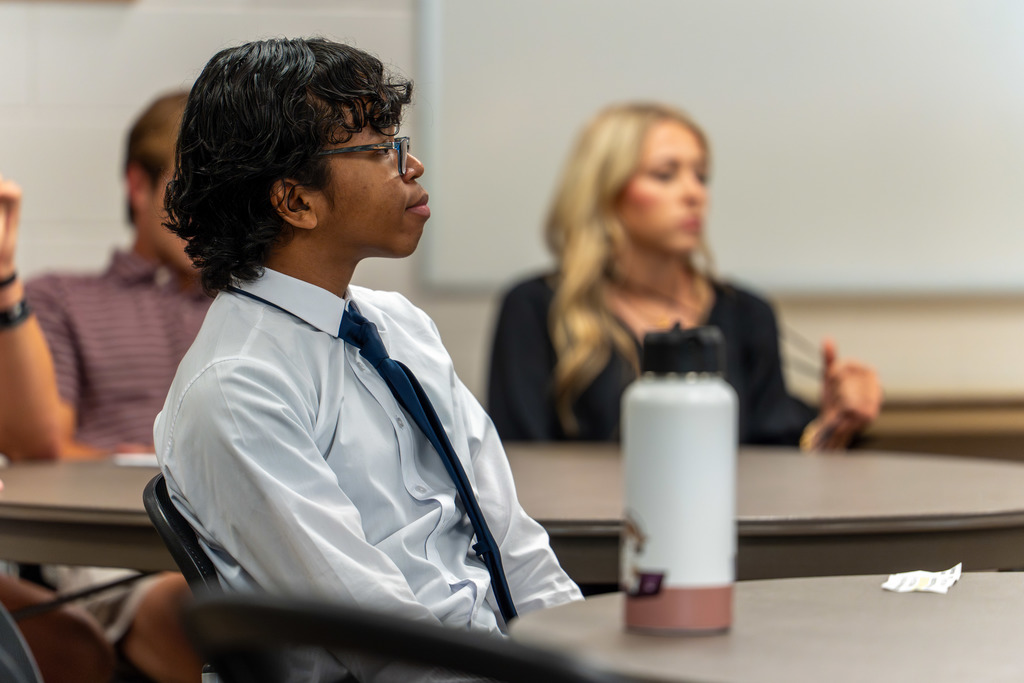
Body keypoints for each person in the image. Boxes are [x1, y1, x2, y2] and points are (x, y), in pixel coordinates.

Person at [154, 37, 582, 681]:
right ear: (296, 200)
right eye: (380, 149)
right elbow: (381, 644)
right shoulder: (240, 388)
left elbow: (513, 545)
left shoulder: (398, 326)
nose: (411, 167)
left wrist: (589, 661)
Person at [488, 102, 882, 449]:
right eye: (665, 174)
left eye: (701, 175)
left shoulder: (746, 312)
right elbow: (518, 466)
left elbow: (774, 466)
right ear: (605, 190)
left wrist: (830, 426)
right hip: (580, 533)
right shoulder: (536, 309)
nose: (694, 193)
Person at [0, 92, 206, 683]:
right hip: (117, 547)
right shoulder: (62, 298)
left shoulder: (247, 308)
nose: (208, 208)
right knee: (206, 614)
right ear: (137, 186)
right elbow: (45, 445)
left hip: (235, 525)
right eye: (187, 185)